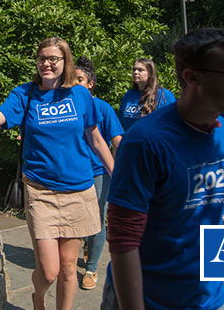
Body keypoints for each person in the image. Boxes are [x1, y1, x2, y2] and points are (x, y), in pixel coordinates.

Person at [0, 37, 115, 310]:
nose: (46, 64)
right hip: (41, 191)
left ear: (65, 62)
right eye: (42, 58)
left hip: (79, 189)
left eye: (53, 59)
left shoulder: (80, 94)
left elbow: (96, 139)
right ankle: (38, 296)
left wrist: (117, 176)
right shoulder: (24, 94)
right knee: (49, 271)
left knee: (68, 268)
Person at [103, 28, 224, 310]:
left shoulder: (223, 134)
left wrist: (221, 284)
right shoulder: (145, 142)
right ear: (192, 78)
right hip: (150, 300)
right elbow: (123, 239)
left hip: (211, 299)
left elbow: (214, 215)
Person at [74, 56, 124, 290]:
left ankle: (91, 268)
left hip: (98, 173)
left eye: (80, 80)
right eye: (71, 79)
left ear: (91, 83)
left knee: (96, 220)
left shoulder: (103, 108)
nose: (75, 84)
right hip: (73, 174)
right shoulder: (67, 107)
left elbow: (117, 141)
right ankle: (87, 247)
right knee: (77, 219)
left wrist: (121, 171)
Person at [118, 58, 176, 131]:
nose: (135, 72)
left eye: (140, 70)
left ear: (150, 73)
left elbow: (173, 123)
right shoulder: (129, 95)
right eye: (134, 69)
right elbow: (121, 124)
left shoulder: (164, 95)